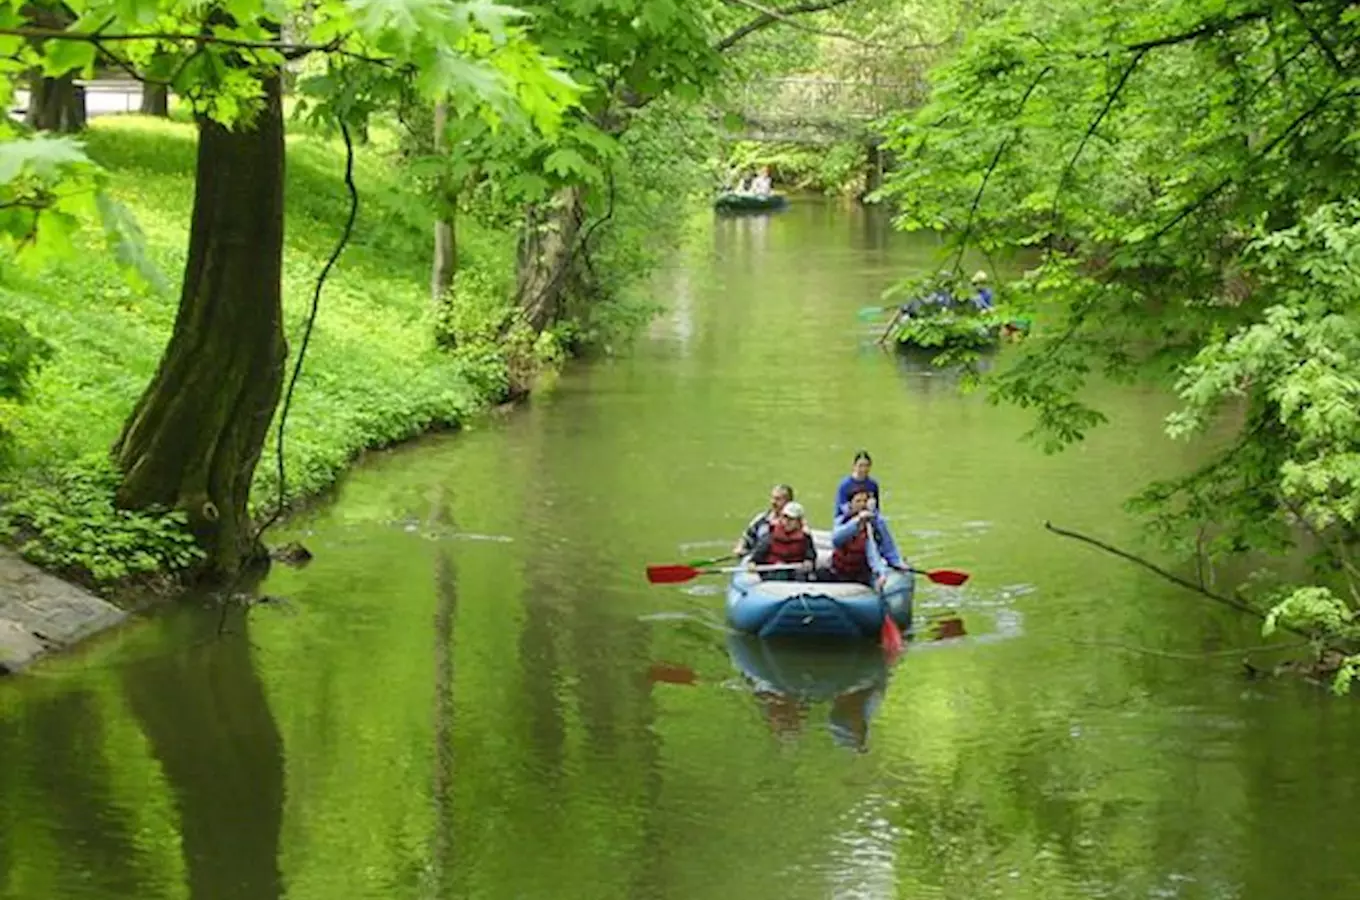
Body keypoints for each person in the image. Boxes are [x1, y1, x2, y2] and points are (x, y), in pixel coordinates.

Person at [819, 487, 905, 588]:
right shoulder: (842, 521)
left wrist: (886, 570)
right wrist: (857, 521)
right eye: (858, 501)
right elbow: (836, 540)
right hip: (839, 571)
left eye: (865, 501)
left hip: (861, 573)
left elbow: (877, 552)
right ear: (850, 504)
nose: (862, 504)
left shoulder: (874, 524)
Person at [745, 501, 815, 581]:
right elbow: (757, 555)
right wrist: (752, 564)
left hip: (794, 573)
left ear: (799, 522)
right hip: (771, 572)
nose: (787, 522)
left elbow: (810, 556)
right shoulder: (771, 535)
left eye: (791, 519)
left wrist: (809, 562)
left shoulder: (805, 538)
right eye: (785, 517)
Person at [733, 483, 795, 557]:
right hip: (758, 562)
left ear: (789, 502)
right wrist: (740, 548)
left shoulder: (796, 522)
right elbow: (746, 537)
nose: (773, 502)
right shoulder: (761, 519)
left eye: (778, 499)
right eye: (772, 498)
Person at [833, 450, 880, 522]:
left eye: (866, 466)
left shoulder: (873, 485)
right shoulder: (845, 485)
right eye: (860, 466)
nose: (863, 469)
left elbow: (876, 509)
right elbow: (844, 509)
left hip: (868, 516)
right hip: (845, 518)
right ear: (854, 466)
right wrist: (859, 512)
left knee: (881, 522)